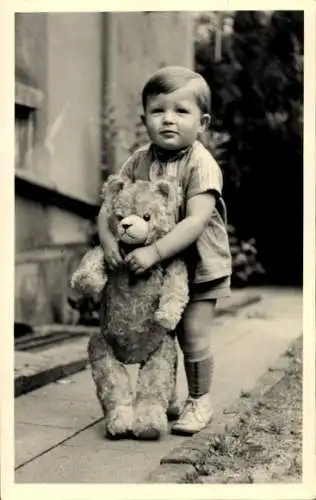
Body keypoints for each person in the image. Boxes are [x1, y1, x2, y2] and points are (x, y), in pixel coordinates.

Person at [97, 66, 232, 435]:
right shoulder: (138, 161)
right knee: (160, 332)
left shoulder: (201, 164)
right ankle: (163, 397)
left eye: (181, 111)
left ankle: (199, 400)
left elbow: (195, 221)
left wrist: (154, 252)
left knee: (192, 335)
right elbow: (109, 207)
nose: (168, 120)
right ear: (145, 118)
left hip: (199, 266)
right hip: (154, 274)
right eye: (158, 111)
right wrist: (108, 242)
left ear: (202, 122)